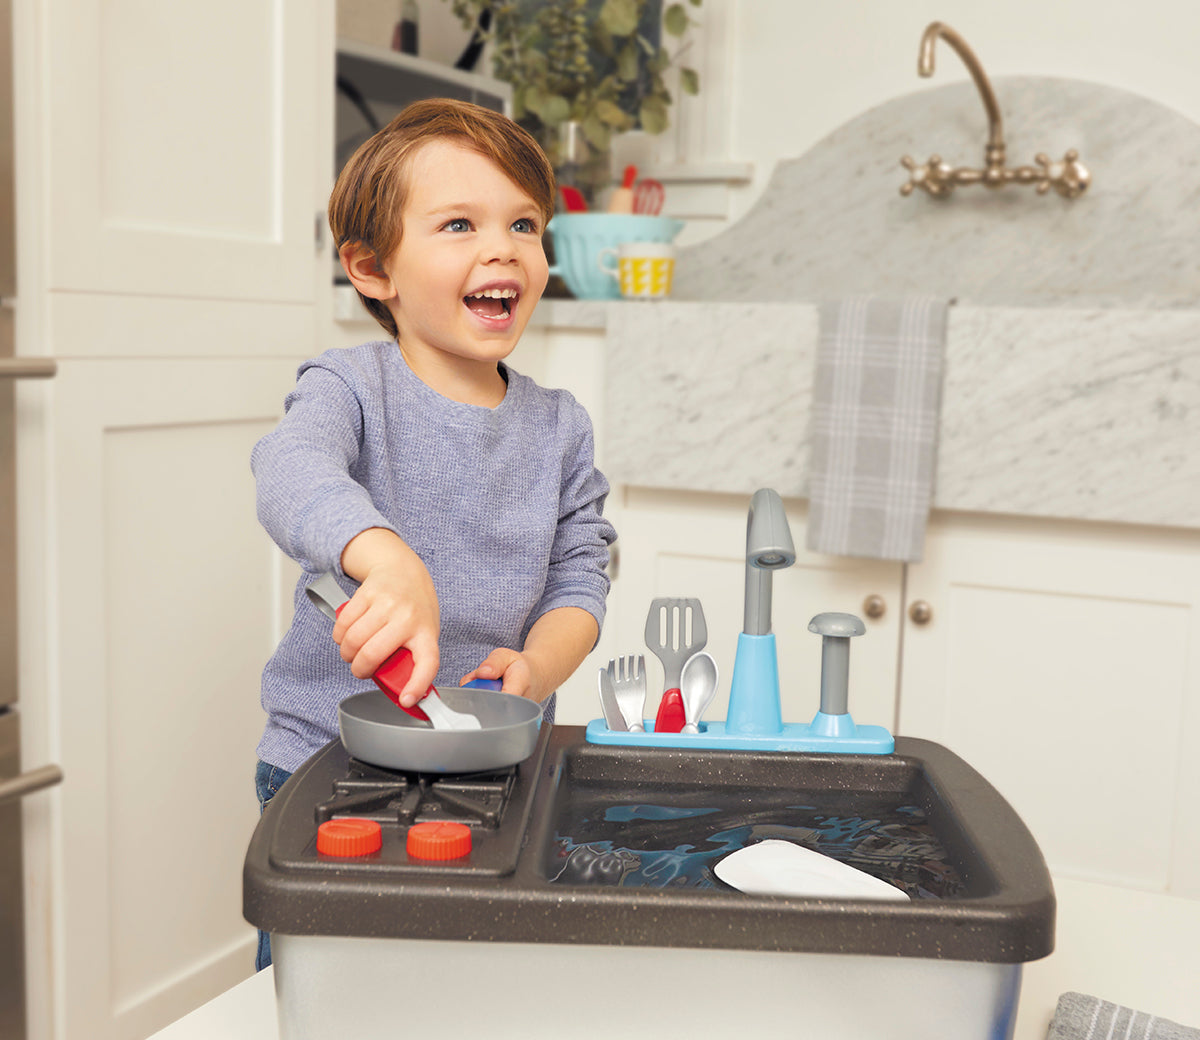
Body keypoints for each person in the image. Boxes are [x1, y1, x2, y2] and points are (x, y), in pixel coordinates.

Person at [250, 98, 616, 968]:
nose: (504, 248)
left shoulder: (560, 426)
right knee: (325, 989)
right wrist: (387, 559)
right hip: (330, 762)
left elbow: (581, 576)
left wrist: (539, 668)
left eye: (524, 224)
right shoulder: (349, 386)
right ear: (372, 268)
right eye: (460, 224)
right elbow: (287, 468)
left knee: (467, 986)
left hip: (501, 772)